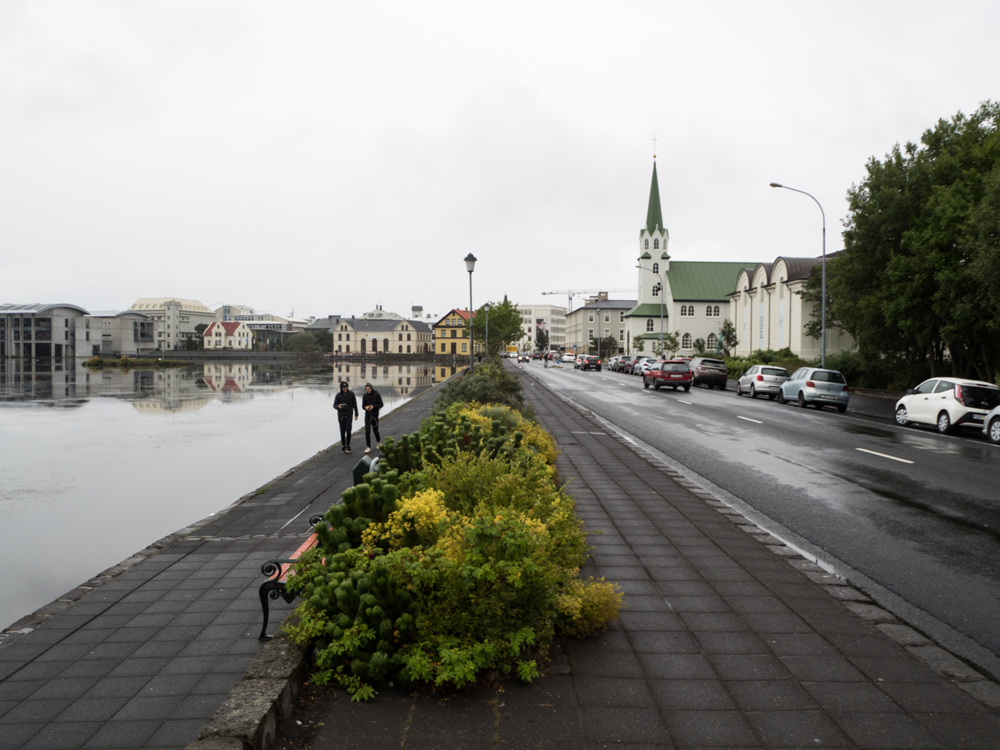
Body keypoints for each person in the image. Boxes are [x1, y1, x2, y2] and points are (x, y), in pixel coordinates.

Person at [333, 381, 358, 453]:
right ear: (341, 388)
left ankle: (348, 445)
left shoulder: (351, 394)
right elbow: (334, 405)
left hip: (349, 414)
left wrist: (356, 413)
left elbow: (354, 404)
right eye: (343, 387)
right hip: (341, 415)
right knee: (342, 430)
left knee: (348, 429)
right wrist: (338, 406)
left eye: (346, 387)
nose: (345, 388)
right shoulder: (338, 395)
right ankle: (343, 446)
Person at [361, 382, 384, 453]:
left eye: (369, 389)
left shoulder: (377, 394)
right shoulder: (364, 396)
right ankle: (368, 446)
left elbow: (381, 404)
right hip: (367, 415)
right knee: (367, 431)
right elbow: (363, 406)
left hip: (374, 415)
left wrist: (373, 406)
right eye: (367, 389)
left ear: (371, 388)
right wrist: (365, 407)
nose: (368, 390)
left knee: (375, 430)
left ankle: (378, 441)